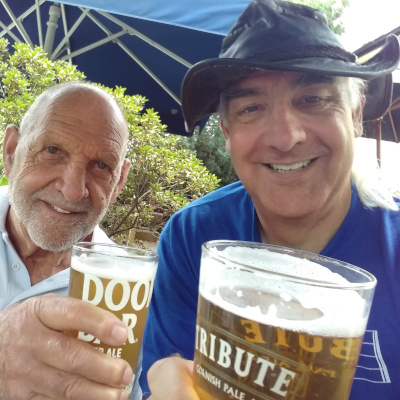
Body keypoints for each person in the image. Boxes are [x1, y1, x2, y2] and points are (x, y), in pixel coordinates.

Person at [140, 0, 400, 399]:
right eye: (252, 108)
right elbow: (164, 372)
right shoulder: (193, 235)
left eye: (312, 99)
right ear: (227, 133)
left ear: (355, 113)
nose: (285, 137)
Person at [0, 81, 145, 400]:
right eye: (53, 151)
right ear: (11, 152)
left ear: (119, 181)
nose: (73, 190)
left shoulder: (128, 293)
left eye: (101, 166)